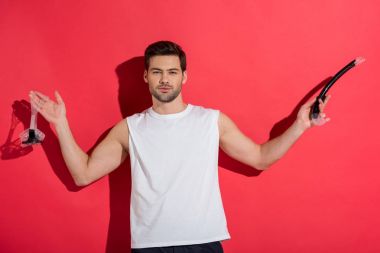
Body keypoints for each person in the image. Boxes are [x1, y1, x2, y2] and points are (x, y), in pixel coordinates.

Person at [29, 41, 330, 253]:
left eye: (172, 72)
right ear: (146, 77)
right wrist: (61, 124)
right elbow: (82, 174)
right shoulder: (130, 128)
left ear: (184, 76)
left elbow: (260, 158)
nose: (164, 79)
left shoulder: (211, 121)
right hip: (150, 246)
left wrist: (300, 125)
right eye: (157, 72)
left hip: (203, 243)